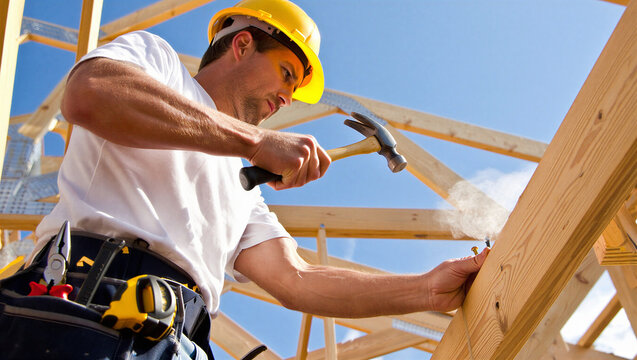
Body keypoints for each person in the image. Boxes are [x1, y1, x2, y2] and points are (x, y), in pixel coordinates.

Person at [10, 0, 488, 358]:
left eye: (296, 89)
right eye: (286, 73)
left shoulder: (243, 187)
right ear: (241, 44)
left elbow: (297, 280)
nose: (289, 97)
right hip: (84, 311)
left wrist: (424, 289)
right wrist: (254, 143)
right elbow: (91, 94)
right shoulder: (155, 63)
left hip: (174, 339)